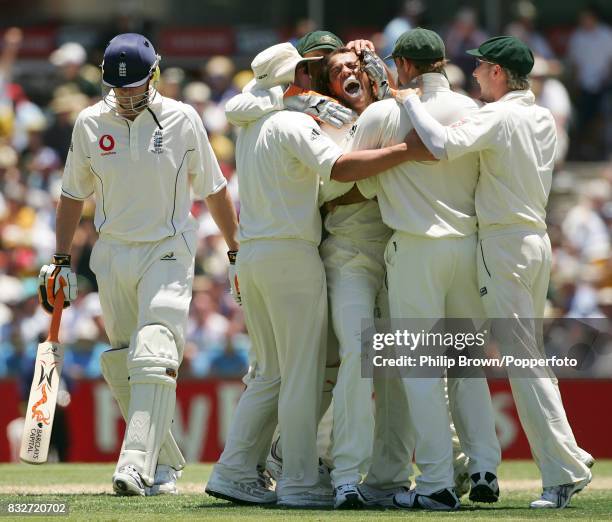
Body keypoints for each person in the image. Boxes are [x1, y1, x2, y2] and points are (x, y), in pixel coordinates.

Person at [206, 42, 421, 508]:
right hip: (291, 255)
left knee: (271, 375)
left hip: (255, 254)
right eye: (308, 69)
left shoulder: (253, 123)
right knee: (301, 377)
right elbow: (340, 167)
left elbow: (241, 102)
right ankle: (300, 481)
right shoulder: (292, 121)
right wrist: (408, 150)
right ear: (298, 76)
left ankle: (234, 470)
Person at [396, 34, 594, 509]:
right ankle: (570, 456)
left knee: (523, 363)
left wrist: (407, 101)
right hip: (535, 241)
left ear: (499, 74)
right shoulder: (541, 114)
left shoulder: (498, 114)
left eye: (482, 68)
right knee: (531, 358)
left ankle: (562, 472)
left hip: (504, 245)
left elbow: (440, 144)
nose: (477, 74)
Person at [38, 33, 239, 496]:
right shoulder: (90, 122)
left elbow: (213, 187)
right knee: (124, 360)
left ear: (155, 74)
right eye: (119, 87)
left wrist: (235, 250)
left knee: (154, 348)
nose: (127, 96)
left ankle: (134, 465)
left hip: (168, 246)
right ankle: (165, 462)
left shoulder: (183, 118)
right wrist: (62, 259)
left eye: (136, 86)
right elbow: (72, 193)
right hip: (113, 252)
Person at [337, 28, 501, 511]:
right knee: (468, 365)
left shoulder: (383, 113)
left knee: (422, 371)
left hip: (413, 249)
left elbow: (361, 184)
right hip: (467, 248)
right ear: (442, 63)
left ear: (404, 65)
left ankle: (435, 483)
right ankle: (485, 467)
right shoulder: (472, 111)